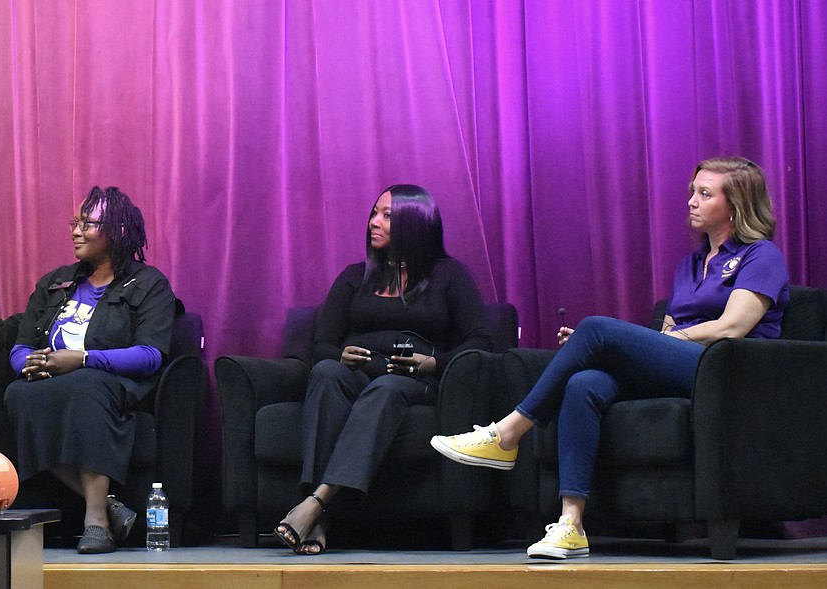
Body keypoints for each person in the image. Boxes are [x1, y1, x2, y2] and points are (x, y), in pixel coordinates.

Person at [431, 157, 789, 559]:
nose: (691, 201)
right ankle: (571, 524)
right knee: (584, 382)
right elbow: (670, 327)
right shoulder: (690, 265)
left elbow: (731, 327)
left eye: (704, 194)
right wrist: (633, 344)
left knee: (599, 329)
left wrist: (652, 339)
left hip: (727, 372)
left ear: (736, 205)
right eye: (692, 191)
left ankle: (508, 434)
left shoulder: (762, 256)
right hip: (683, 367)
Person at [274, 184, 492, 555]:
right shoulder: (355, 276)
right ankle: (319, 520)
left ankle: (317, 503)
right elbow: (322, 343)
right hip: (358, 374)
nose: (374, 222)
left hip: (416, 380)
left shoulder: (450, 276)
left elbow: (483, 341)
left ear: (415, 223)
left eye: (387, 216)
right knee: (326, 373)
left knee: (386, 388)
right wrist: (341, 355)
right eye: (374, 213)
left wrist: (434, 362)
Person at [4, 186, 175, 554]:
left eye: (87, 223)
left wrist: (83, 359)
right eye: (74, 222)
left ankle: (95, 520)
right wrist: (31, 365)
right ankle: (113, 508)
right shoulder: (55, 282)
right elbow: (20, 347)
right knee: (17, 392)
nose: (75, 231)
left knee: (87, 386)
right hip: (52, 381)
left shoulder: (149, 285)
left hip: (111, 382)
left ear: (118, 231)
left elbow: (150, 354)